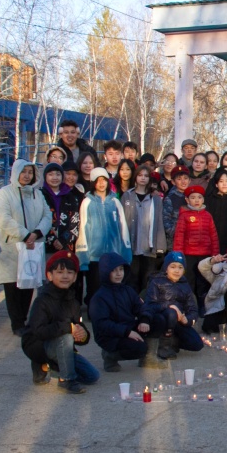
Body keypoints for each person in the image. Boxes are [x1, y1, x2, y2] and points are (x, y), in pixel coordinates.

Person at [22, 251, 99, 393]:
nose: (65, 276)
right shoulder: (42, 300)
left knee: (92, 376)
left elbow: (77, 328)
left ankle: (46, 367)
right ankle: (67, 380)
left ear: (75, 277)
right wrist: (68, 328)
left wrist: (83, 334)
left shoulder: (73, 302)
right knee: (66, 336)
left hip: (62, 346)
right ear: (49, 275)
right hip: (37, 344)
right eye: (60, 272)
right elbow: (38, 331)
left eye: (70, 272)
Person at [76, 168, 133, 306]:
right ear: (93, 182)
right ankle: (93, 310)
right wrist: (83, 254)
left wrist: (125, 251)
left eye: (104, 180)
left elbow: (123, 227)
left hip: (113, 253)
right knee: (94, 286)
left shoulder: (115, 201)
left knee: (111, 285)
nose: (101, 184)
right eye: (98, 180)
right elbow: (83, 227)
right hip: (94, 254)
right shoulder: (87, 202)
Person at [88, 252, 149, 372]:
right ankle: (110, 356)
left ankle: (148, 358)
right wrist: (127, 332)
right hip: (110, 337)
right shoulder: (99, 297)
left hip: (127, 328)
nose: (119, 274)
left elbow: (142, 307)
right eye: (114, 270)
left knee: (157, 320)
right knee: (139, 348)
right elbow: (102, 324)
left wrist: (144, 320)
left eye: (121, 269)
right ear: (106, 272)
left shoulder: (127, 290)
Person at [142, 251, 203, 360]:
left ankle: (172, 341)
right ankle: (163, 346)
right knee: (171, 312)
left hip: (177, 322)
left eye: (180, 267)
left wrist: (187, 319)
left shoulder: (185, 285)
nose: (176, 270)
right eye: (173, 267)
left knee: (197, 344)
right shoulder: (156, 282)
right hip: (160, 320)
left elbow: (193, 310)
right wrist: (171, 306)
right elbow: (150, 305)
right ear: (166, 268)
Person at [173, 185, 220, 315]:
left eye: (199, 197)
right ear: (187, 200)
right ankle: (188, 306)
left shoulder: (207, 216)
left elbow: (213, 236)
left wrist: (214, 254)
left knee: (203, 282)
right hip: (189, 254)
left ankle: (202, 306)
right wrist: (178, 255)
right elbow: (179, 236)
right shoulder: (184, 216)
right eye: (193, 198)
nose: (196, 200)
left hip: (205, 255)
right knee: (189, 281)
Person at [120, 165, 167, 293]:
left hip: (149, 247)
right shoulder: (127, 196)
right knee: (131, 280)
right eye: (140, 175)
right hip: (132, 246)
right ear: (135, 177)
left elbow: (159, 222)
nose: (143, 178)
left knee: (147, 281)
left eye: (146, 176)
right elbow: (121, 221)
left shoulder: (155, 199)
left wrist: (160, 246)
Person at [41, 162, 83, 255]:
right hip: (45, 247)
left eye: (58, 174)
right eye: (50, 174)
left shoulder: (70, 196)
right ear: (45, 176)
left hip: (66, 247)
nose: (54, 178)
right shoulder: (40, 195)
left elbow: (75, 221)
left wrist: (63, 239)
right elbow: (38, 220)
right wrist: (53, 240)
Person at [162, 164, 191, 245]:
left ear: (189, 180)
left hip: (192, 241)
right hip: (175, 242)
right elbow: (166, 221)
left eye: (185, 178)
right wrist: (176, 232)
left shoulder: (193, 197)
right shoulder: (170, 198)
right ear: (173, 182)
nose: (183, 181)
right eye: (179, 179)